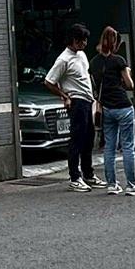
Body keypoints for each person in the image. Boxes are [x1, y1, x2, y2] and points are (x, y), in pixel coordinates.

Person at [90, 26, 135, 196]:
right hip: (123, 107)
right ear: (115, 43)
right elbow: (129, 85)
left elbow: (95, 85)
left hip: (106, 108)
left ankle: (112, 184)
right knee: (128, 147)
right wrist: (127, 73)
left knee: (109, 148)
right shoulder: (119, 60)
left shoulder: (94, 62)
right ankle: (132, 185)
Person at [47, 24, 97, 192]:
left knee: (89, 138)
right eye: (82, 40)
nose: (85, 43)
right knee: (77, 139)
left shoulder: (81, 55)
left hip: (87, 100)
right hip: (76, 101)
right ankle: (75, 177)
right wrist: (65, 96)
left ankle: (88, 174)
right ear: (74, 40)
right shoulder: (63, 59)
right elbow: (49, 81)